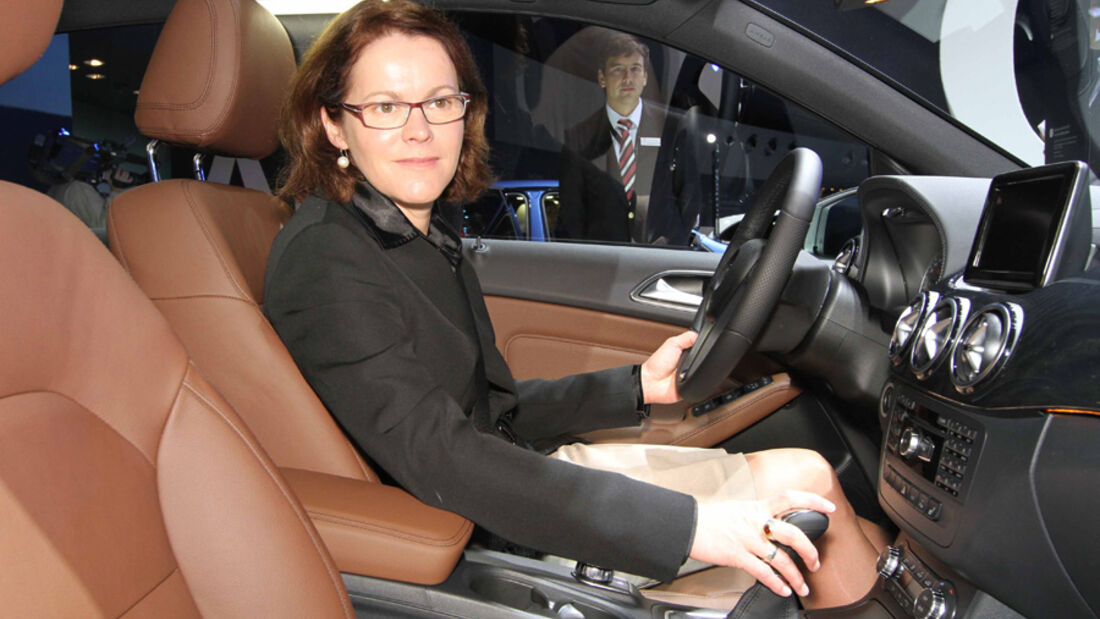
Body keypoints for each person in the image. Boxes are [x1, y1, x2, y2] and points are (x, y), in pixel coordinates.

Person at [266, 0, 879, 609]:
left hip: (518, 476)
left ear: (465, 111)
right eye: (385, 107)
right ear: (333, 125)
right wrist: (690, 527)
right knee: (813, 488)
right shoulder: (326, 257)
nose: (420, 128)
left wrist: (637, 387)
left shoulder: (420, 232)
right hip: (497, 529)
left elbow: (493, 411)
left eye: (439, 101)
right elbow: (445, 456)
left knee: (831, 504)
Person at [559, 32, 700, 246]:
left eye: (635, 69)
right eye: (618, 69)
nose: (627, 78)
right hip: (604, 262)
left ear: (645, 77)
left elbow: (689, 198)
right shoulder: (578, 137)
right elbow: (572, 214)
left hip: (661, 258)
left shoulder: (672, 127)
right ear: (602, 78)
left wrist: (674, 243)